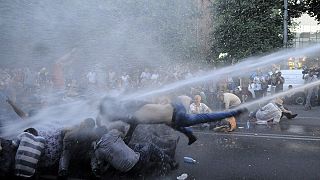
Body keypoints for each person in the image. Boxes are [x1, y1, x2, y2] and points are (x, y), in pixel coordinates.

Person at [98, 95, 247, 145]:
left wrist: (125, 139)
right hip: (174, 107)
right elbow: (130, 128)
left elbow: (129, 128)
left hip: (177, 116)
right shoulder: (134, 108)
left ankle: (235, 111)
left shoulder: (131, 118)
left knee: (205, 117)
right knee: (168, 122)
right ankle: (190, 135)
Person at [91, 127, 178, 177]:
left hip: (125, 170)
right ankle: (171, 162)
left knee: (136, 146)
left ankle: (166, 152)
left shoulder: (97, 151)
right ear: (105, 132)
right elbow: (123, 133)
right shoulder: (110, 134)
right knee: (150, 146)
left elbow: (99, 165)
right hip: (137, 162)